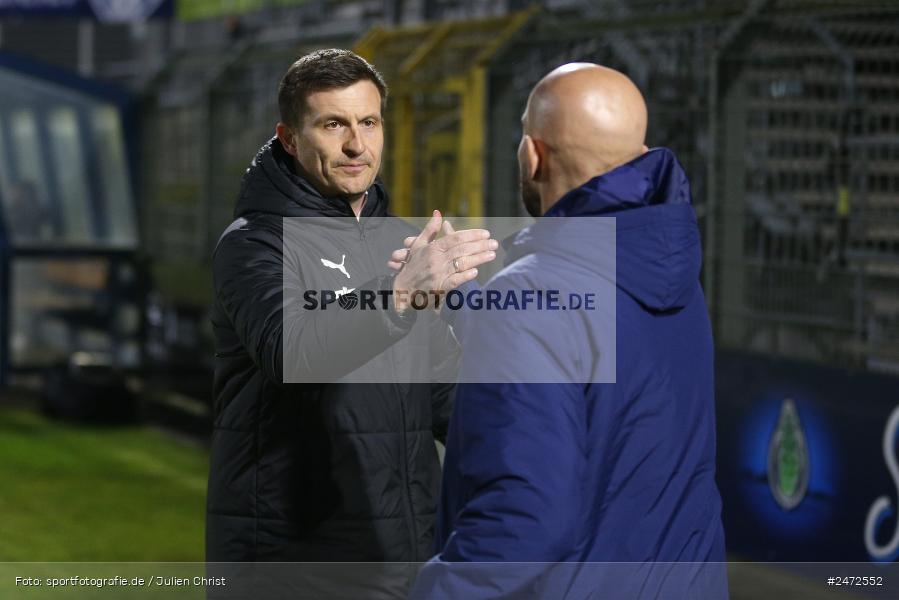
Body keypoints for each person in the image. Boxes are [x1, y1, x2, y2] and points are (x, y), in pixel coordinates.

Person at [408, 63, 728, 598]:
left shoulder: (531, 300)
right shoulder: (670, 271)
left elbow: (522, 524)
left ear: (533, 155)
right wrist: (462, 300)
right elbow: (584, 345)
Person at [206, 49, 497, 593]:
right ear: (290, 138)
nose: (356, 145)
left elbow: (443, 394)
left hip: (406, 557)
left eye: (368, 122)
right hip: (296, 565)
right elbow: (292, 348)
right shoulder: (253, 244)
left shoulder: (399, 242)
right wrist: (400, 292)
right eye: (333, 124)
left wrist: (544, 421)